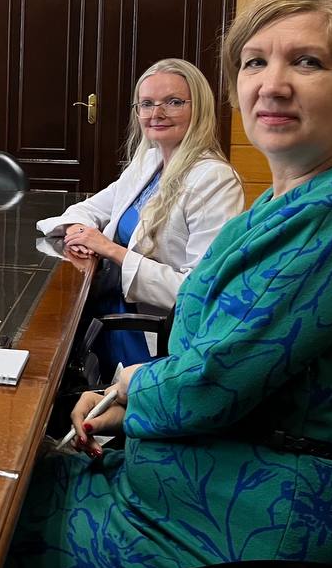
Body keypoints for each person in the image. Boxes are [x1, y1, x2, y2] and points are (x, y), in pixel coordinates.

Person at [0, 0, 332, 568]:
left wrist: (132, 387)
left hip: (229, 541)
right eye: (254, 61)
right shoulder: (289, 201)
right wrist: (127, 387)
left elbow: (210, 383)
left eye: (307, 62)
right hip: (182, 488)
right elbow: (220, 348)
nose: (271, 85)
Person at [36, 58, 243, 369]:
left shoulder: (214, 179)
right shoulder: (148, 161)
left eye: (173, 102)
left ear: (199, 108)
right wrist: (80, 233)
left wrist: (109, 249)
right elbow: (88, 209)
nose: (156, 113)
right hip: (105, 308)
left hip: (152, 333)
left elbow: (200, 291)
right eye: (146, 104)